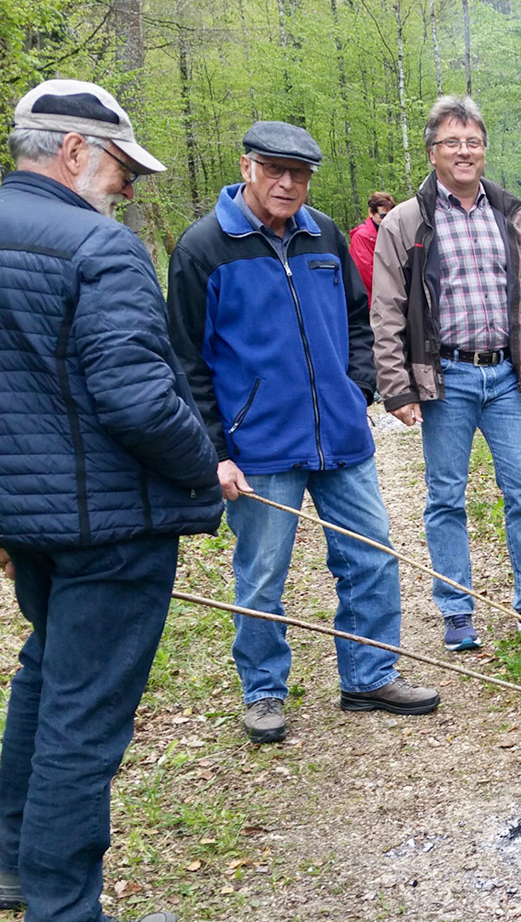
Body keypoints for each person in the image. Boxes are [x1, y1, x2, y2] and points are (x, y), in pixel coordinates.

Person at [0, 79, 217, 922]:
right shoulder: (97, 247)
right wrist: (204, 466)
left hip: (20, 522)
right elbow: (134, 394)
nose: (123, 189)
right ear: (76, 151)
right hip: (107, 526)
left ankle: (19, 867)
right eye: (119, 168)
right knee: (84, 714)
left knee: (45, 682)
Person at [167, 121, 439, 745]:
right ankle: (263, 692)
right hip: (259, 446)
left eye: (300, 174)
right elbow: (184, 359)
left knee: (370, 556)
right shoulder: (204, 249)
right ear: (247, 168)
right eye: (274, 170)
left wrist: (358, 386)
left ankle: (369, 674)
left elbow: (357, 317)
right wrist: (215, 451)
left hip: (341, 438)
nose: (287, 184)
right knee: (263, 574)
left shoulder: (326, 235)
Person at [369, 95, 521, 651]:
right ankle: (457, 609)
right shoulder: (408, 222)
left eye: (474, 141)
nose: (464, 151)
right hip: (447, 378)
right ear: (433, 151)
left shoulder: (508, 213)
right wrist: (396, 386)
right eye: (452, 142)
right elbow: (385, 308)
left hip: (507, 375)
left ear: (484, 150)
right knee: (445, 499)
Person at [349, 190, 395, 296]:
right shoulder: (361, 236)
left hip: (386, 296)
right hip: (371, 300)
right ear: (371, 212)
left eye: (390, 216)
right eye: (383, 216)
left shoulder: (387, 232)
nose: (387, 220)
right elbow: (368, 274)